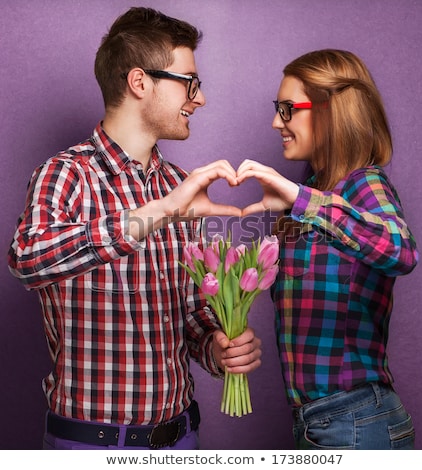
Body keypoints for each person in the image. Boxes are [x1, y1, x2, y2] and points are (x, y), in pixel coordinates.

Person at [8, 7, 262, 450]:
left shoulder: (177, 185)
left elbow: (188, 312)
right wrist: (157, 213)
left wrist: (217, 348)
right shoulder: (66, 174)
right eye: (190, 83)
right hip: (89, 447)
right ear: (140, 82)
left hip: (181, 440)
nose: (199, 99)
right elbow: (26, 258)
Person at [237, 49, 418, 450]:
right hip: (323, 423)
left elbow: (401, 250)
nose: (275, 122)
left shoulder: (364, 183)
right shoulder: (318, 196)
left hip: (356, 420)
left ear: (331, 111)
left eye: (287, 109)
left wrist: (299, 199)